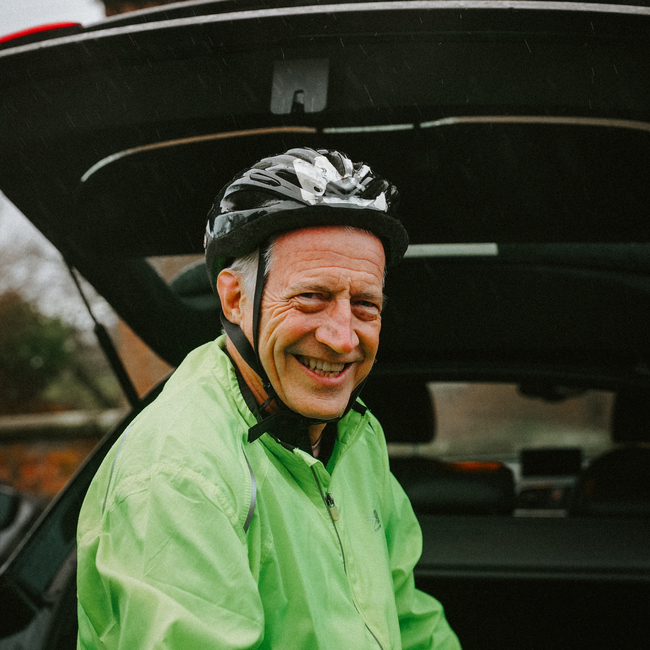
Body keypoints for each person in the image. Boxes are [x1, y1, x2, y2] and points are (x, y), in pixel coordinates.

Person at [76, 147, 461, 649]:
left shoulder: (357, 438)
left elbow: (411, 623)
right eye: (312, 297)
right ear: (235, 299)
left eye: (366, 304)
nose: (343, 337)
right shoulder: (180, 472)